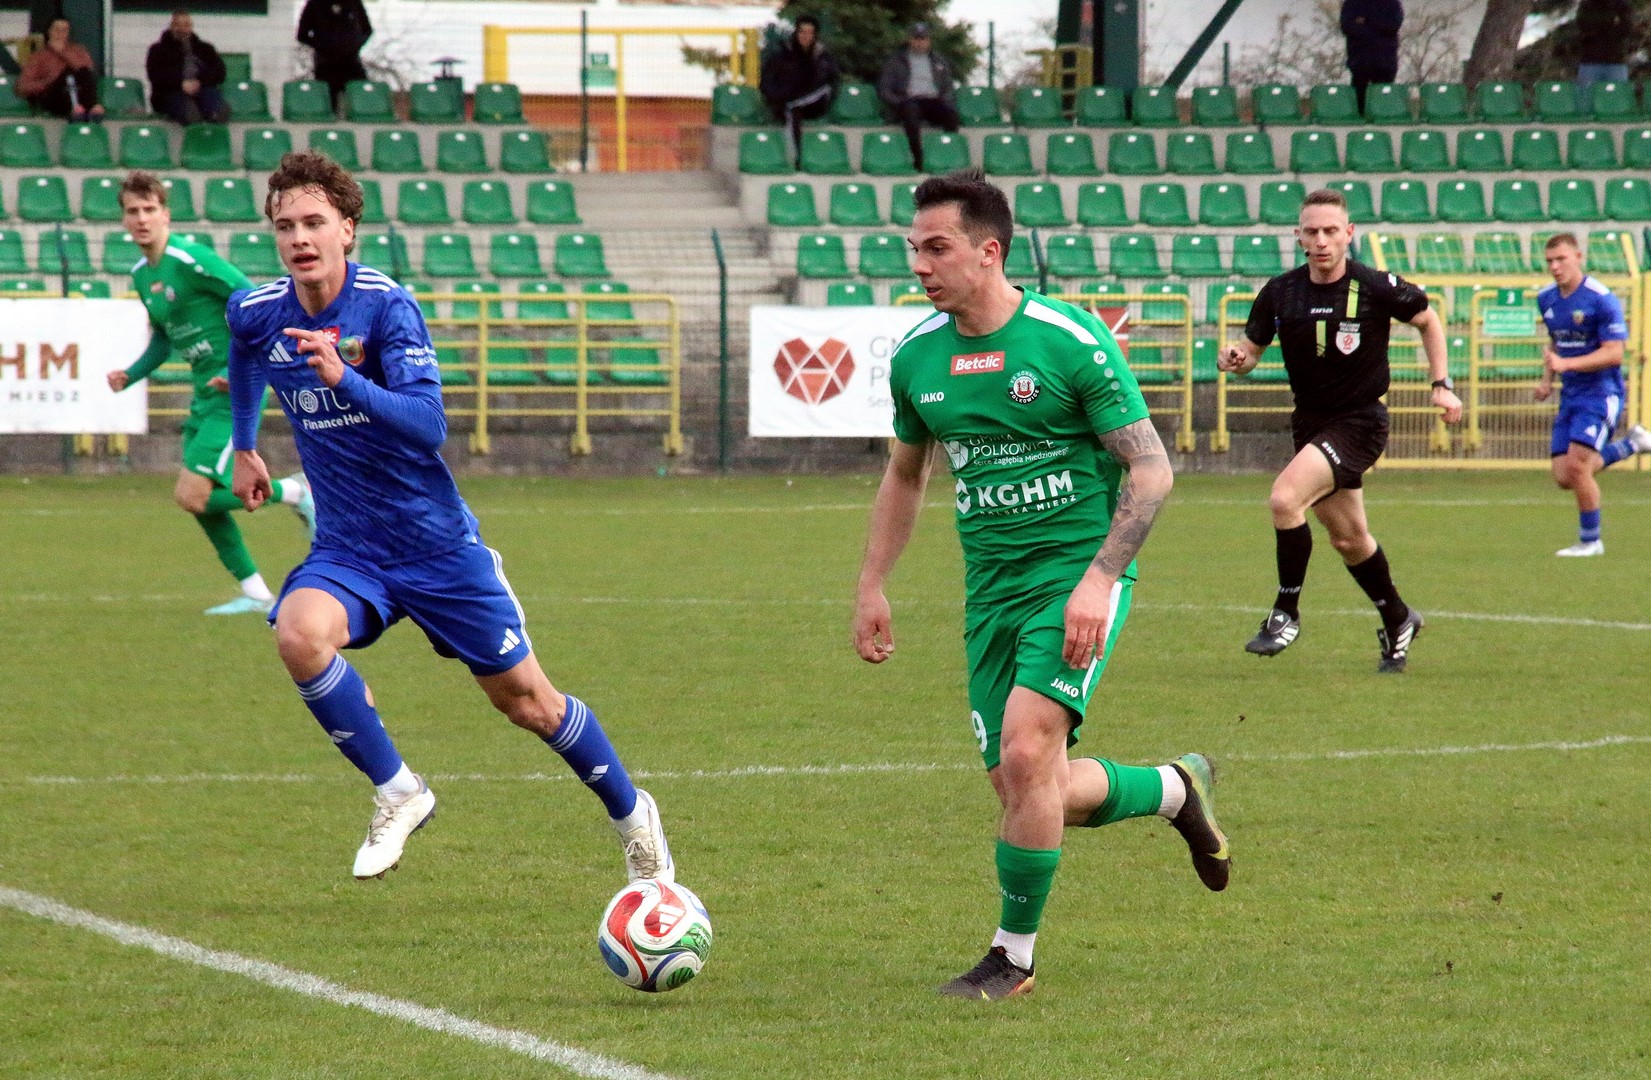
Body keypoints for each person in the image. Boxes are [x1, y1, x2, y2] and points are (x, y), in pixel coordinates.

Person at [225, 151, 674, 886]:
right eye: (285, 226)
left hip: (435, 546)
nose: (299, 238)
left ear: (347, 228)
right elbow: (245, 349)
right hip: (350, 549)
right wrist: (245, 446)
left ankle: (632, 817)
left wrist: (345, 378)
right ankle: (399, 790)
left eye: (314, 222)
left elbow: (429, 425)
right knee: (298, 634)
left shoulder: (385, 307)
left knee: (528, 705)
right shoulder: (259, 309)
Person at [854, 169, 1226, 1001]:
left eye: (936, 247)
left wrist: (1099, 579)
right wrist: (872, 583)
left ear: (988, 252)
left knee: (1026, 753)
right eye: (914, 248)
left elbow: (1151, 468)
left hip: (1075, 575)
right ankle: (1173, 788)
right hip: (991, 590)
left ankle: (1011, 959)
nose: (919, 264)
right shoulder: (916, 358)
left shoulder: (1068, 340)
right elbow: (906, 475)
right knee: (1031, 784)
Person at [1219, 188, 1462, 673]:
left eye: (1331, 231)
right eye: (1312, 231)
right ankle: (1398, 618)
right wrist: (1236, 358)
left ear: (1349, 233)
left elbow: (1429, 320)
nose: (1322, 240)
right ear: (1298, 236)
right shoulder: (1281, 292)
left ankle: (1285, 612)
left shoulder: (1374, 286)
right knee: (1350, 539)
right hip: (1310, 422)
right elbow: (1250, 351)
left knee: (1285, 499)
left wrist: (1441, 384)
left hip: (1360, 422)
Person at [106, 171, 313, 616]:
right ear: (123, 219)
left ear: (166, 214)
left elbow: (254, 299)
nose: (141, 219)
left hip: (235, 391)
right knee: (201, 501)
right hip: (205, 395)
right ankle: (255, 592)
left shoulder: (191, 259)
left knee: (192, 494)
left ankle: (297, 492)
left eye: (149, 209)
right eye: (132, 211)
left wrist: (236, 366)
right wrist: (131, 374)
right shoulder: (142, 275)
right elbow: (165, 337)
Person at [1534, 233, 1650, 557]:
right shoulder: (1546, 299)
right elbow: (1556, 342)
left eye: (1561, 259)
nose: (1555, 267)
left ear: (1578, 257)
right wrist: (1547, 380)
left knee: (1577, 467)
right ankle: (1633, 445)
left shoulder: (1601, 299)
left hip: (1601, 393)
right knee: (1564, 476)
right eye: (1550, 261)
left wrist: (1566, 364)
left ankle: (1590, 541)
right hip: (1570, 395)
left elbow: (1614, 353)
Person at [877, 22, 959, 173]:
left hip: (933, 100)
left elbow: (948, 87)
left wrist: (946, 99)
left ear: (929, 40)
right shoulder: (896, 62)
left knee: (951, 114)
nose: (920, 42)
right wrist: (899, 102)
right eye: (916, 38)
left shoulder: (939, 61)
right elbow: (884, 89)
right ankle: (918, 159)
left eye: (923, 39)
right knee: (911, 115)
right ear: (910, 39)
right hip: (909, 101)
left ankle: (948, 156)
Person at [759, 15, 840, 168]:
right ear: (796, 33)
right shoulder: (781, 56)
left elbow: (830, 83)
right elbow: (767, 84)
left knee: (807, 98)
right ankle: (796, 157)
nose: (806, 36)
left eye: (810, 33)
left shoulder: (822, 57)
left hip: (814, 105)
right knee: (792, 110)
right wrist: (779, 98)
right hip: (785, 104)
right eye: (802, 32)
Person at [146, 10, 229, 125]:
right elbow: (156, 76)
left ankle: (215, 121)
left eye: (186, 25)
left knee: (216, 107)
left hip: (203, 89)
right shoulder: (157, 50)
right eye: (177, 24)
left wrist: (199, 82)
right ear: (171, 26)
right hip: (170, 93)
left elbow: (220, 72)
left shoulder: (205, 49)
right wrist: (181, 84)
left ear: (191, 27)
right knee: (189, 111)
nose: (182, 29)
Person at [17, 17, 104, 121]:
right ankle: (77, 108)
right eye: (56, 29)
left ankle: (90, 107)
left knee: (79, 72)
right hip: (54, 96)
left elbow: (87, 72)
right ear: (49, 31)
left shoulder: (78, 51)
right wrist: (49, 81)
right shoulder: (38, 56)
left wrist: (62, 52)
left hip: (80, 93)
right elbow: (23, 86)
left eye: (64, 30)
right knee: (66, 76)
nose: (60, 33)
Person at [297, 0, 372, 113]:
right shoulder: (314, 4)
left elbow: (367, 30)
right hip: (326, 65)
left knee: (362, 101)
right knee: (327, 107)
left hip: (350, 63)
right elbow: (301, 35)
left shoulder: (353, 3)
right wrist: (322, 46)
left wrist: (354, 45)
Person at [1340, 0, 1403, 116]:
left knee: (1384, 102)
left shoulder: (1391, 3)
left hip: (1385, 62)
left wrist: (1366, 20)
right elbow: (1347, 26)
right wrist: (1378, 27)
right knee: (1359, 102)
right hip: (1359, 61)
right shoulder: (1352, 3)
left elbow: (1393, 24)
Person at [1574, 0, 1634, 93]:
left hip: (1616, 62)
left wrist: (1598, 25)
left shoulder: (1621, 4)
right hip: (1589, 62)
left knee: (1618, 97)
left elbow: (1626, 29)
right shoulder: (1587, 4)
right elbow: (1583, 26)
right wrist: (1610, 21)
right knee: (1586, 98)